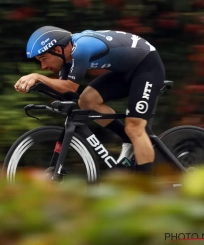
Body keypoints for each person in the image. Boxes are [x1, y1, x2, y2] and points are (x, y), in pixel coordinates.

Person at [14, 26, 165, 174]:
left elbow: (70, 87)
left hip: (146, 68)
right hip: (124, 71)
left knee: (135, 128)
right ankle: (127, 138)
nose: (43, 66)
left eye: (44, 59)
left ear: (58, 50)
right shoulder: (66, 59)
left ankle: (146, 188)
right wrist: (39, 86)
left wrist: (38, 77)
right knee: (86, 101)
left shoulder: (81, 48)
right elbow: (67, 93)